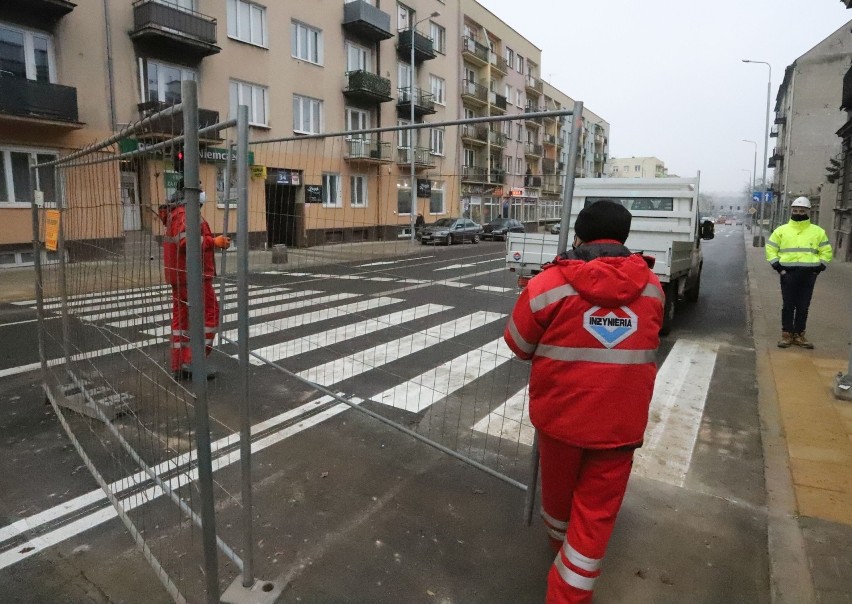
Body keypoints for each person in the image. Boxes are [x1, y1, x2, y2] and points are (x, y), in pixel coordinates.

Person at [503, 200, 663, 604]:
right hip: (619, 427)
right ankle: (571, 575)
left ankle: (560, 557)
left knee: (558, 498)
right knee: (595, 518)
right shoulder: (652, 289)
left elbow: (518, 345)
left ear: (579, 234)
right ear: (624, 237)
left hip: (560, 421)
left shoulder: (548, 285)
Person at [159, 179, 231, 380]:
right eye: (199, 189)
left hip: (180, 274)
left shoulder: (176, 212)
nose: (202, 193)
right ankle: (193, 361)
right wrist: (213, 242)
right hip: (193, 276)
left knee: (181, 320)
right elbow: (186, 242)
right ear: (188, 193)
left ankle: (180, 362)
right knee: (211, 314)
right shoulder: (185, 213)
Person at [766, 196, 832, 349]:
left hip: (809, 275)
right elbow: (770, 249)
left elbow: (826, 251)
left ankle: (799, 334)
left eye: (802, 210)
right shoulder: (781, 231)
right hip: (787, 274)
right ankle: (787, 335)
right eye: (795, 210)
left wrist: (819, 268)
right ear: (791, 211)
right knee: (788, 305)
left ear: (808, 211)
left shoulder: (817, 232)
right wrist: (778, 267)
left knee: (803, 306)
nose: (798, 213)